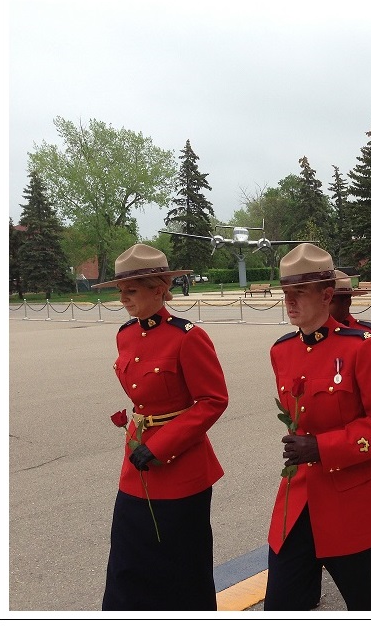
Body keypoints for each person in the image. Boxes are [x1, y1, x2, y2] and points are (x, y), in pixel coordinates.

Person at [265, 243, 371, 611]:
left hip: (353, 502)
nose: (290, 301)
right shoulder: (281, 350)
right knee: (281, 607)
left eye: (299, 293)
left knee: (363, 608)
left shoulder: (363, 347)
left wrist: (323, 447)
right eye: (286, 293)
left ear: (327, 294)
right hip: (298, 501)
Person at [93, 243, 229, 611]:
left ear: (159, 288)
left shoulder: (188, 337)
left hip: (181, 469)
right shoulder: (125, 334)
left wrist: (160, 445)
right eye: (120, 291)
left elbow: (213, 400)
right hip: (135, 468)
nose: (123, 298)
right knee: (127, 564)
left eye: (131, 290)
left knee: (182, 570)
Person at [328, 270, 371, 583]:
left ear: (344, 302)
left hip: (365, 430)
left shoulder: (370, 336)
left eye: (337, 301)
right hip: (333, 435)